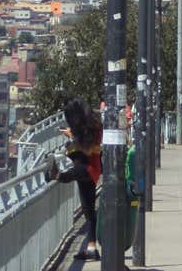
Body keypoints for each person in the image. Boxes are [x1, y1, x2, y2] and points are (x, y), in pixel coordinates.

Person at [45, 98, 102, 261]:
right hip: (86, 169)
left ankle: (57, 175)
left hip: (89, 168)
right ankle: (91, 248)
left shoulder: (95, 128)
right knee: (88, 209)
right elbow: (77, 150)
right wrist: (71, 137)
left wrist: (72, 137)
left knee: (74, 174)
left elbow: (89, 150)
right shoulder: (87, 127)